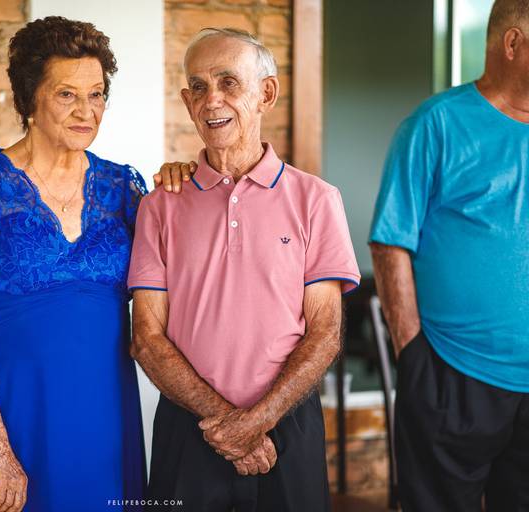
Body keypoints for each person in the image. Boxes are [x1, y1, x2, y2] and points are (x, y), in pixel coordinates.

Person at [0, 16, 190, 512]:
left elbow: (182, 276)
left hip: (103, 414)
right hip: (12, 416)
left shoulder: (124, 188)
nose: (86, 111)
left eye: (96, 95)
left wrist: (184, 185)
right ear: (29, 98)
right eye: (67, 94)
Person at [128, 28, 360, 512]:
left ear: (266, 94)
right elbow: (146, 338)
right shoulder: (159, 205)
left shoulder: (317, 199)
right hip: (189, 427)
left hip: (288, 425)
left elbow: (325, 333)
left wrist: (255, 422)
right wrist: (229, 425)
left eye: (229, 82)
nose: (211, 99)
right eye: (198, 86)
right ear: (187, 102)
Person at [369, 1, 529, 510]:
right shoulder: (436, 124)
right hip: (451, 373)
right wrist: (413, 354)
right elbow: (390, 241)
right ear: (513, 43)